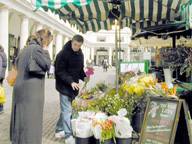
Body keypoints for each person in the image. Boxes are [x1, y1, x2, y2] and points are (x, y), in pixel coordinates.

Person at [10, 29, 52, 144]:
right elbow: (47, 65)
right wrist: (46, 50)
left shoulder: (25, 49)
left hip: (21, 88)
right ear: (45, 40)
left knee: (21, 119)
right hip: (31, 92)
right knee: (31, 121)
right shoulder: (37, 49)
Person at [54, 34, 90, 144]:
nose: (76, 47)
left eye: (79, 46)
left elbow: (79, 69)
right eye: (75, 45)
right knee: (67, 111)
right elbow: (59, 71)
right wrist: (70, 81)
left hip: (74, 87)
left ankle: (59, 129)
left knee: (66, 110)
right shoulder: (63, 54)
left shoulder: (80, 54)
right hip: (64, 86)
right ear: (71, 42)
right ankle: (68, 135)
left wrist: (84, 77)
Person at [0, 44, 7, 113]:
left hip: (0, 75)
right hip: (1, 75)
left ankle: (1, 107)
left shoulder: (0, 54)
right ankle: (1, 107)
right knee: (0, 91)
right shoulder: (3, 53)